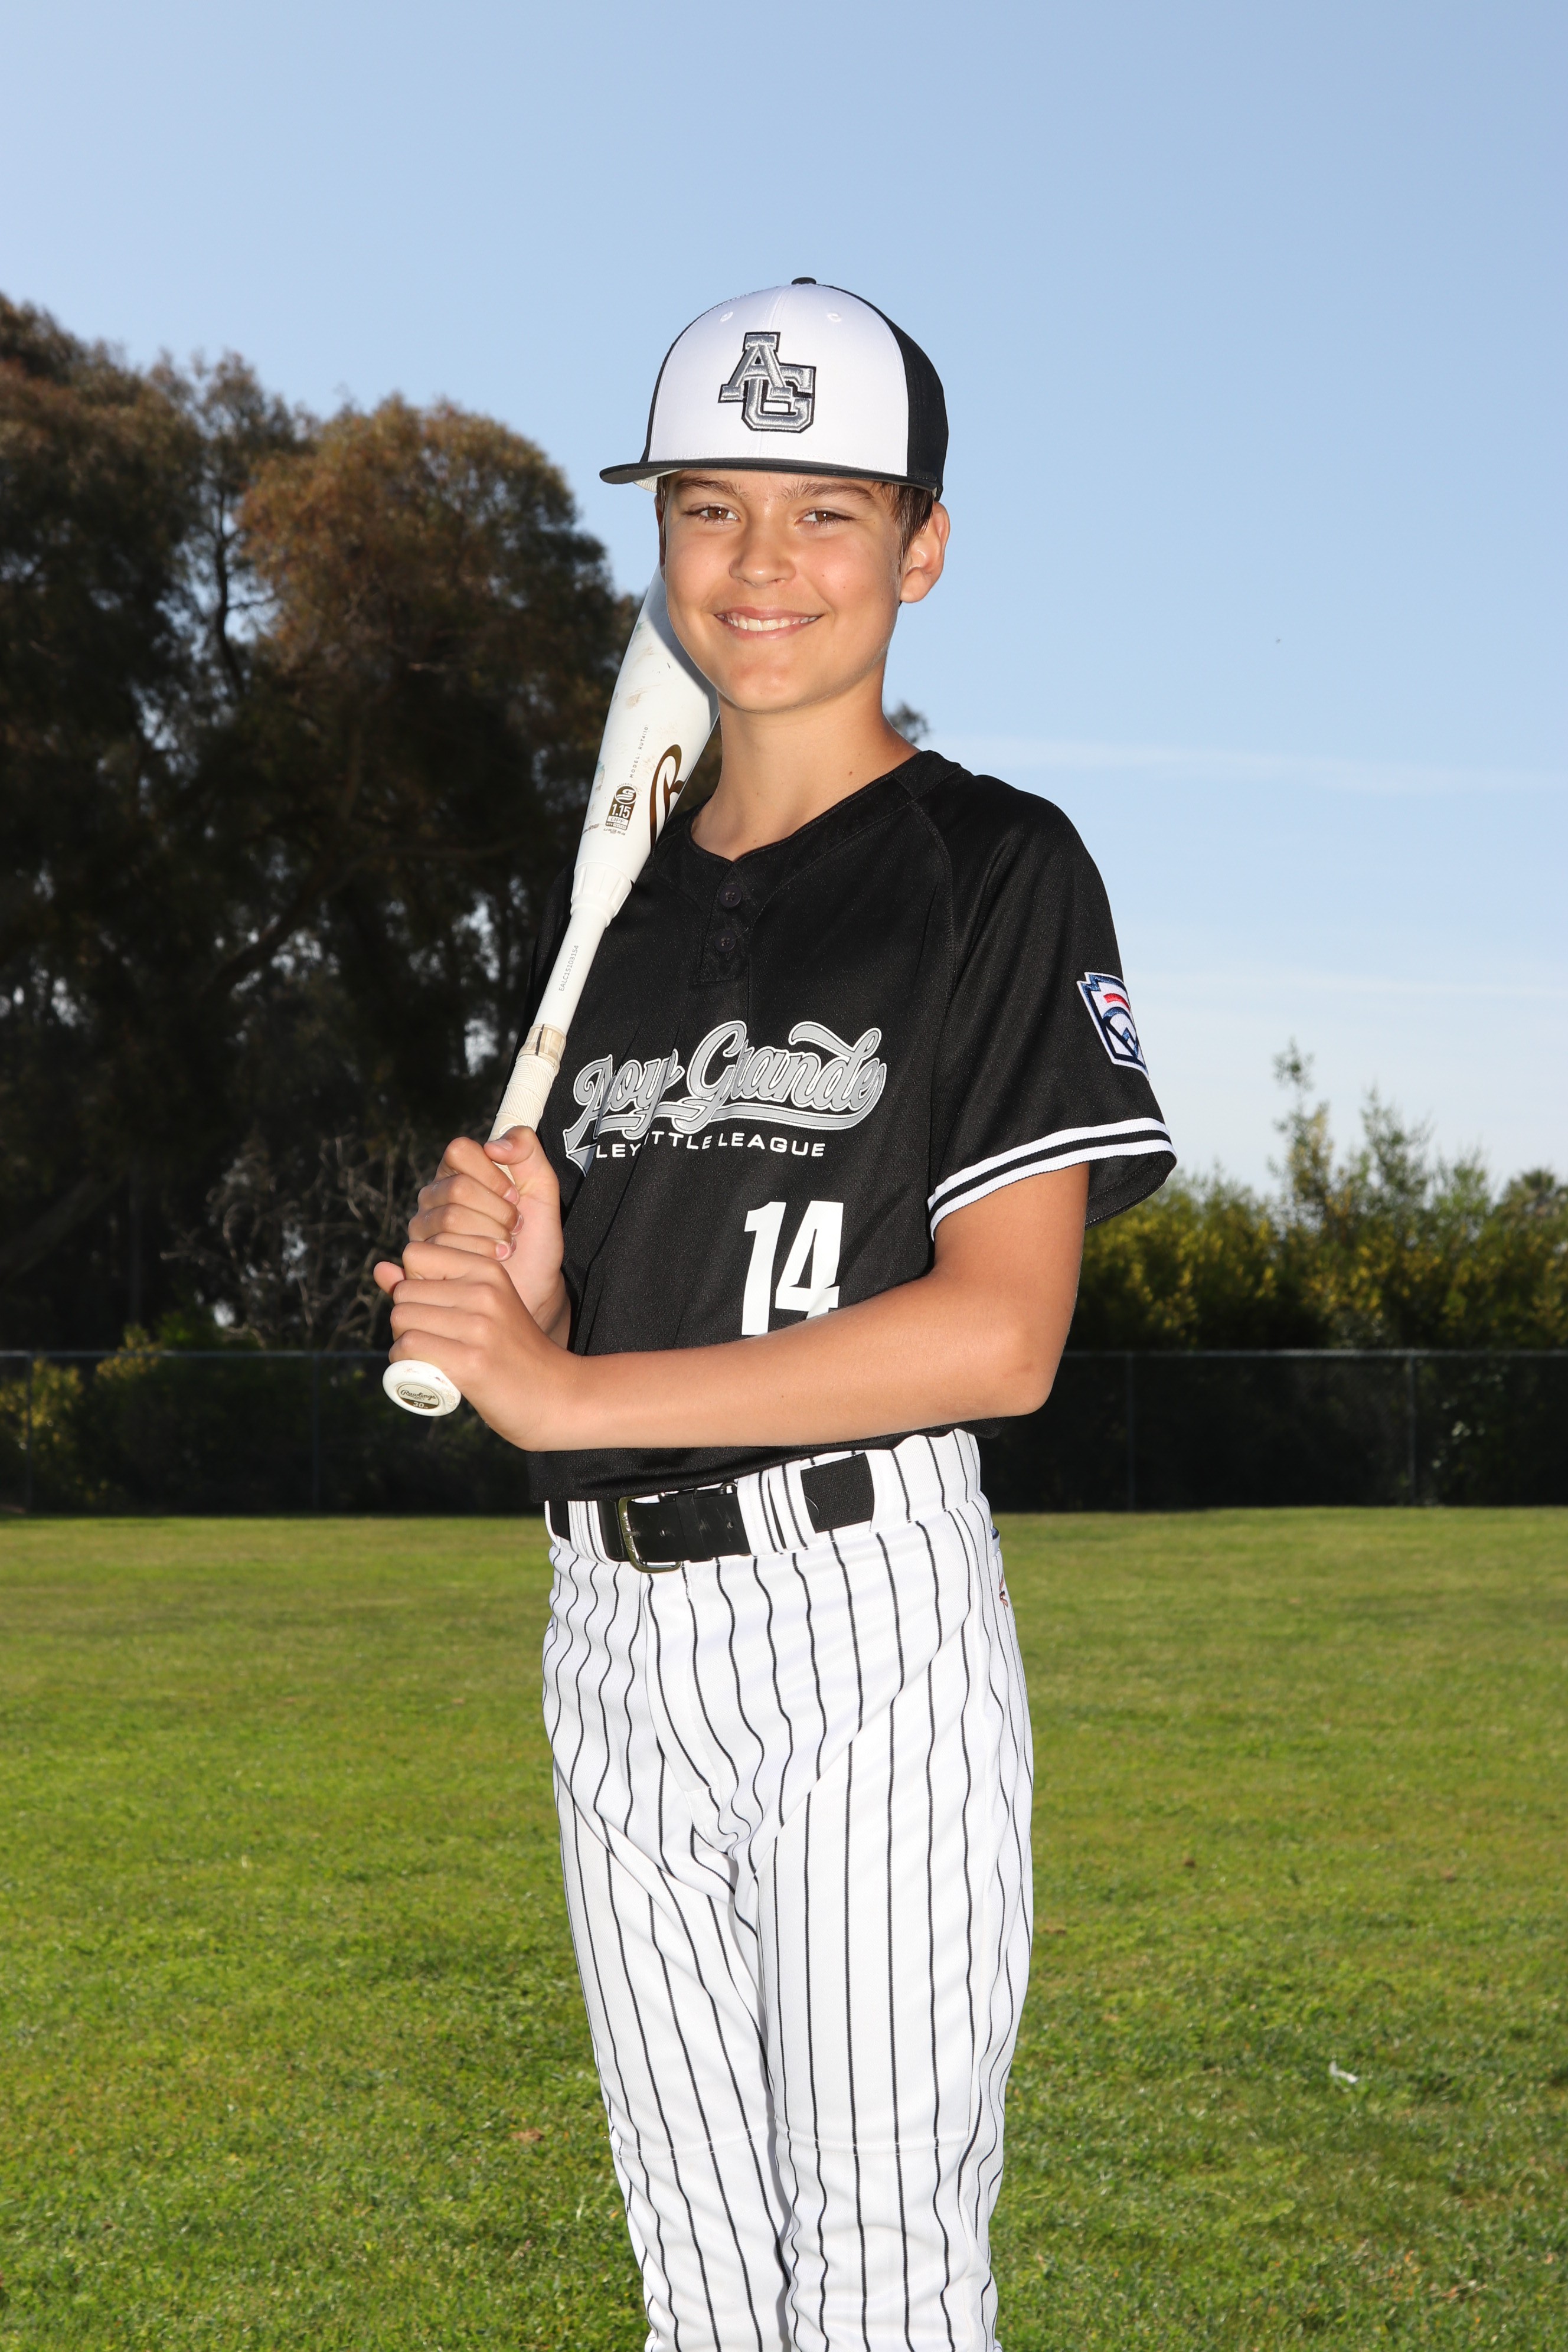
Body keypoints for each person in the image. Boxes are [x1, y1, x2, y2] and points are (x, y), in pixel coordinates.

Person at [374, 280, 1174, 2352]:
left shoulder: (996, 866)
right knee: (705, 2290)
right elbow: (605, 1287)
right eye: (709, 506)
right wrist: (527, 1288)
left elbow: (1002, 1336)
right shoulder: (611, 907)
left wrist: (554, 1389)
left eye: (827, 513)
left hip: (858, 1628)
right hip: (610, 1632)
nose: (759, 565)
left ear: (924, 547)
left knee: (880, 2280)